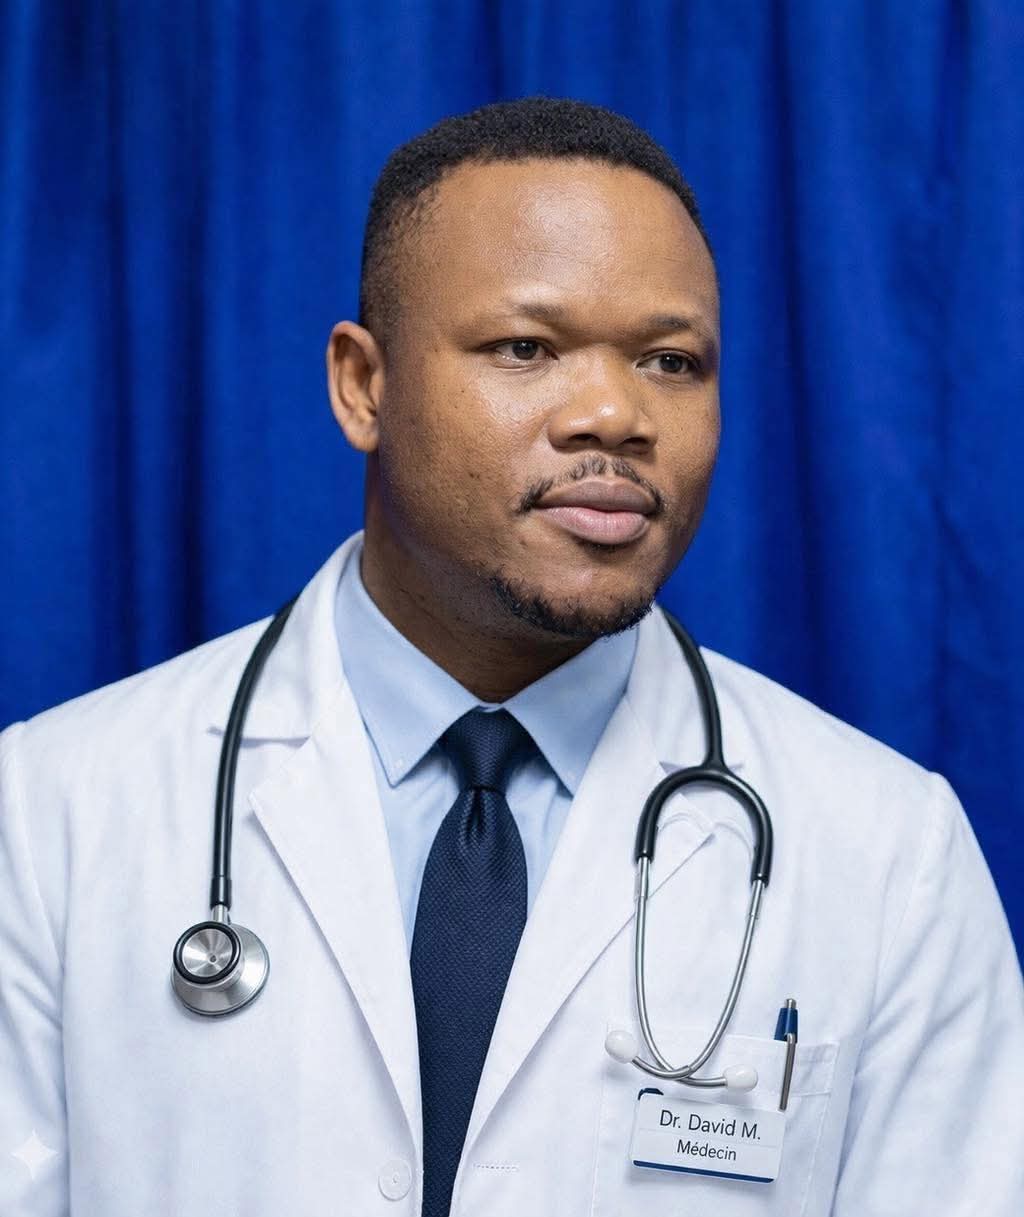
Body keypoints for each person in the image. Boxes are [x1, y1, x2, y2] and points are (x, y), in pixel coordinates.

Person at [1, 97, 1021, 1217]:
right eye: (526, 348)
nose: (614, 413)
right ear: (363, 385)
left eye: (671, 360)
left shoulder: (889, 854)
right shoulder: (51, 813)